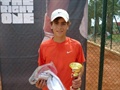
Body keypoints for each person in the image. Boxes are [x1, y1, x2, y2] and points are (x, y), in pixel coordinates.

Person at [36, 9, 85, 90]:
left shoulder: (76, 45)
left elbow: (81, 65)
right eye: (56, 23)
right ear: (51, 25)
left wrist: (78, 77)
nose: (59, 27)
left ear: (68, 25)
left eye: (63, 24)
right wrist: (40, 81)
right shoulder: (44, 46)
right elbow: (41, 69)